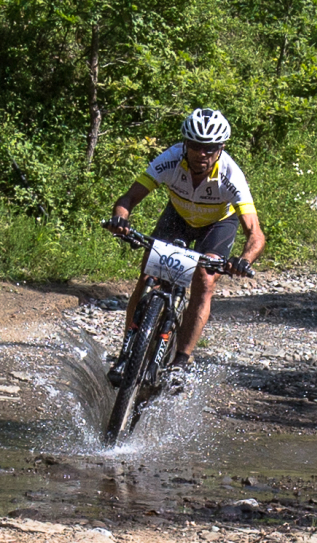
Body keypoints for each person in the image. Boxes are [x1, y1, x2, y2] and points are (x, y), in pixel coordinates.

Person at [103, 108, 265, 385]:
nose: (202, 153)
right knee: (147, 278)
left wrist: (244, 260)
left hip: (217, 224)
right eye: (195, 146)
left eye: (210, 148)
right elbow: (128, 197)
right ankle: (126, 351)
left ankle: (181, 361)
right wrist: (121, 218)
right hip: (177, 216)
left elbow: (256, 234)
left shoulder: (231, 175)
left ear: (221, 148)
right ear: (185, 144)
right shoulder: (169, 160)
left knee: (205, 280)